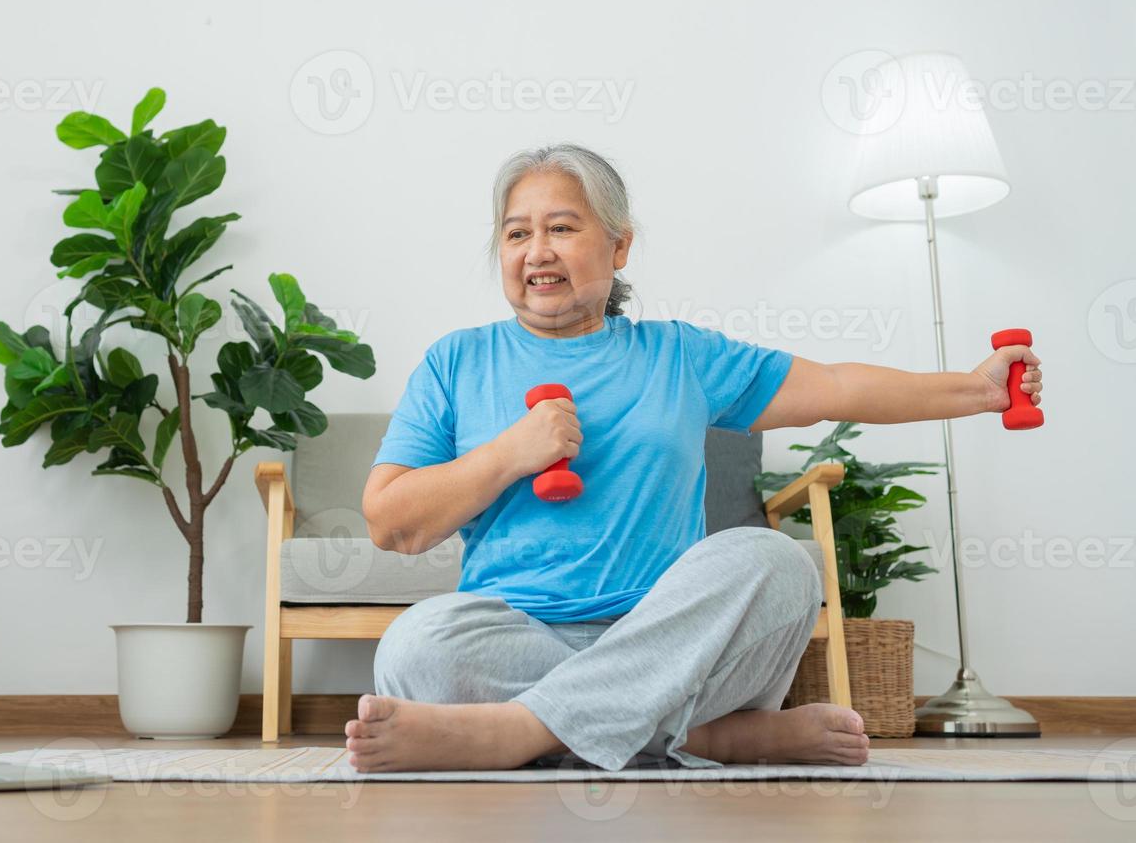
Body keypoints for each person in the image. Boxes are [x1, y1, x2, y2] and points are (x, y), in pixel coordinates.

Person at [343, 144, 1045, 774]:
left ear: (619, 247)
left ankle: (516, 732)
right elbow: (390, 523)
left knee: (778, 563)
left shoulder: (681, 356)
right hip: (514, 636)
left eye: (561, 228)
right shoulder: (456, 362)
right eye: (517, 233)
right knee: (412, 648)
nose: (538, 252)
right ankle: (713, 738)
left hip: (682, 636)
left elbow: (833, 386)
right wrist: (507, 453)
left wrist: (976, 390)